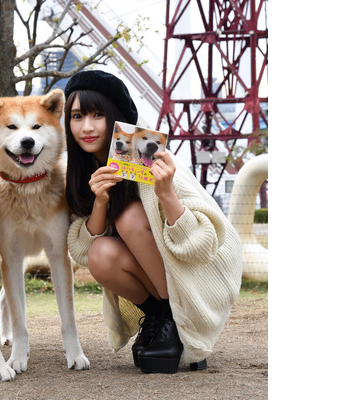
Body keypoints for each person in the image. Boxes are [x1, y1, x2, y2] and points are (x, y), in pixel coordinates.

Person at [63, 70, 243, 374]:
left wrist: (166, 192)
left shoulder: (143, 151)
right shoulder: (81, 170)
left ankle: (177, 322)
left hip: (208, 270)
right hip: (164, 277)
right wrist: (100, 202)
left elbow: (203, 245)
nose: (87, 127)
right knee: (101, 253)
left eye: (97, 114)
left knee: (130, 216)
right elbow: (83, 253)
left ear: (115, 116)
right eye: (77, 116)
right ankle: (163, 318)